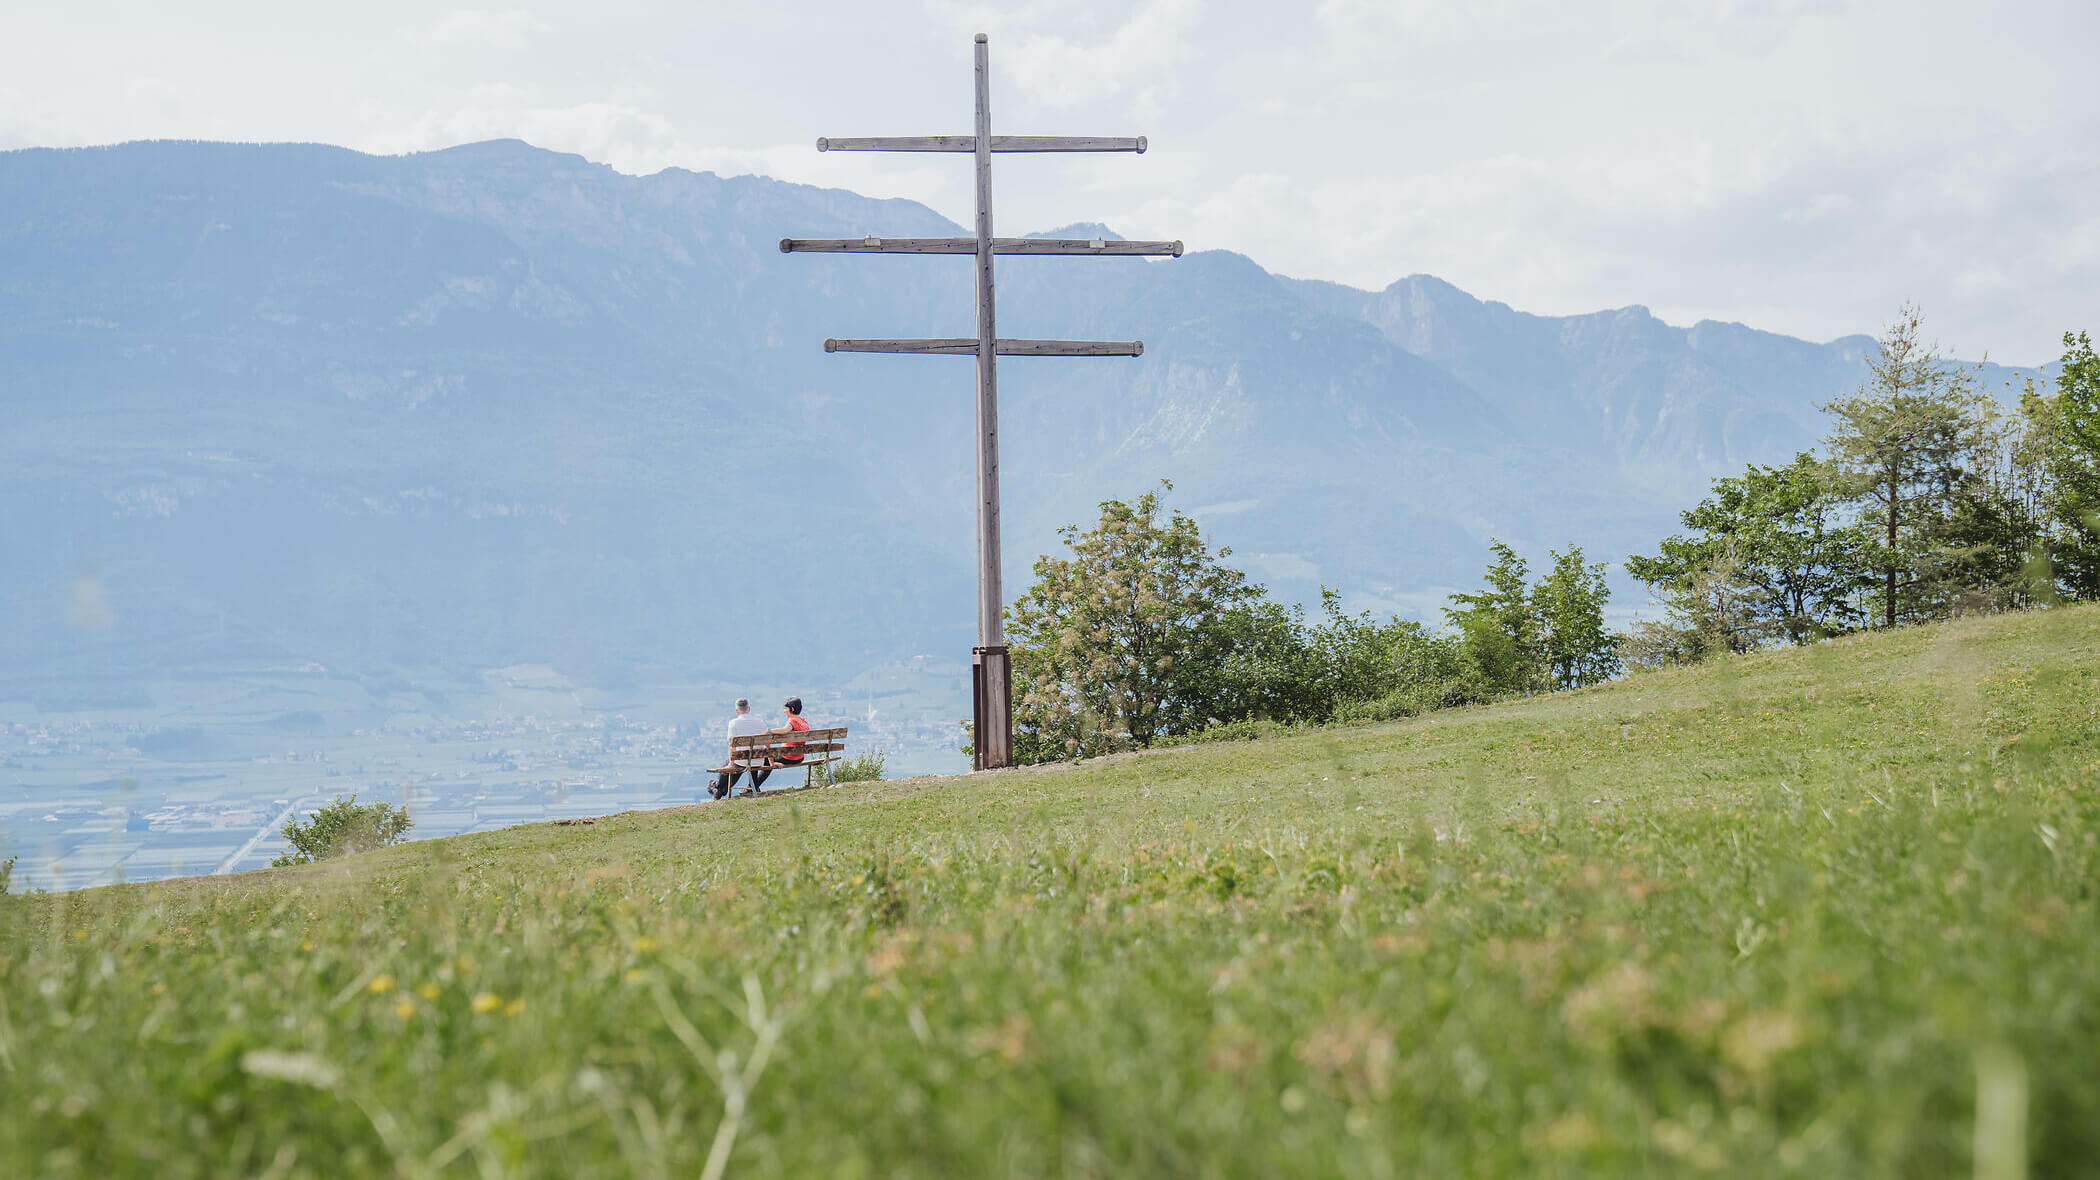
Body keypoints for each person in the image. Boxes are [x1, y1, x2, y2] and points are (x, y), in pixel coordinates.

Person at [709, 698, 773, 799]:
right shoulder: (760, 722)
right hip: (758, 760)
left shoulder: (733, 723)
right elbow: (767, 743)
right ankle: (720, 789)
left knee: (728, 764)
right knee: (743, 763)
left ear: (737, 711)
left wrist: (731, 763)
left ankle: (718, 788)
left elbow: (732, 745)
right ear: (749, 708)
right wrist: (771, 761)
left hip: (741, 761)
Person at [772, 697, 811, 769]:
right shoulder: (804, 722)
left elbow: (785, 730)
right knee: (770, 760)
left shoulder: (793, 721)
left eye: (785, 708)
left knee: (765, 759)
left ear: (792, 709)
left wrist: (769, 731)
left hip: (787, 757)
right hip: (800, 758)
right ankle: (756, 780)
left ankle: (756, 781)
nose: (784, 711)